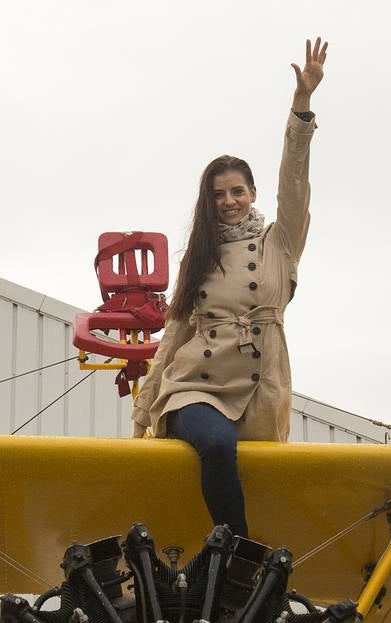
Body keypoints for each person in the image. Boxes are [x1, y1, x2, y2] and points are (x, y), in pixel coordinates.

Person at [132, 38, 329, 539]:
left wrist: (301, 107)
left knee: (255, 473)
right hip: (195, 389)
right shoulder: (198, 256)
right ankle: (239, 554)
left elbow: (296, 182)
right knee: (217, 445)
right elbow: (174, 337)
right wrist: (142, 412)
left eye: (237, 191)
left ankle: (235, 576)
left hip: (261, 391)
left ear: (254, 194)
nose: (229, 201)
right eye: (218, 194)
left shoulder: (280, 242)